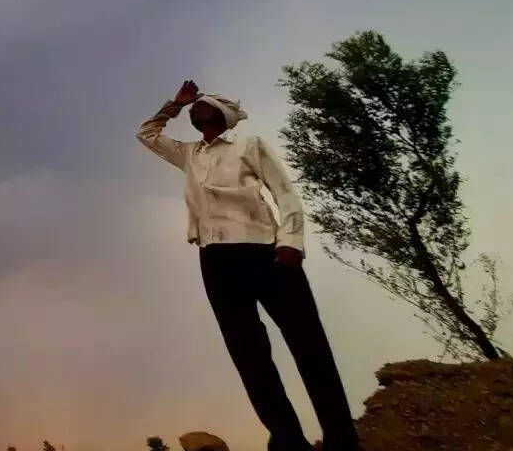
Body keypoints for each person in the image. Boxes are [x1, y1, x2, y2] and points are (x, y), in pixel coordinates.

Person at [136, 79, 360, 451]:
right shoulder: (190, 154)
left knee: (308, 345)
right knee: (249, 355)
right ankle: (288, 439)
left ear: (220, 113)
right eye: (193, 106)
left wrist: (291, 241)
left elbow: (284, 191)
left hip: (266, 252)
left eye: (202, 103)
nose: (196, 107)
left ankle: (342, 439)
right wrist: (175, 104)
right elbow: (147, 134)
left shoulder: (248, 145)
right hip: (215, 259)